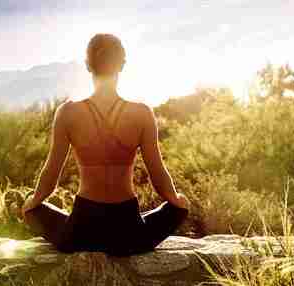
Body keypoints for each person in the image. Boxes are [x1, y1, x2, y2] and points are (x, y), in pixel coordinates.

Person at [21, 33, 189, 256]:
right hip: (129, 233)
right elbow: (158, 176)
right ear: (122, 64)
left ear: (88, 65)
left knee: (32, 210)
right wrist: (177, 200)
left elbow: (50, 176)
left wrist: (32, 202)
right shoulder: (142, 113)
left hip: (80, 231)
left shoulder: (67, 113)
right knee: (179, 208)